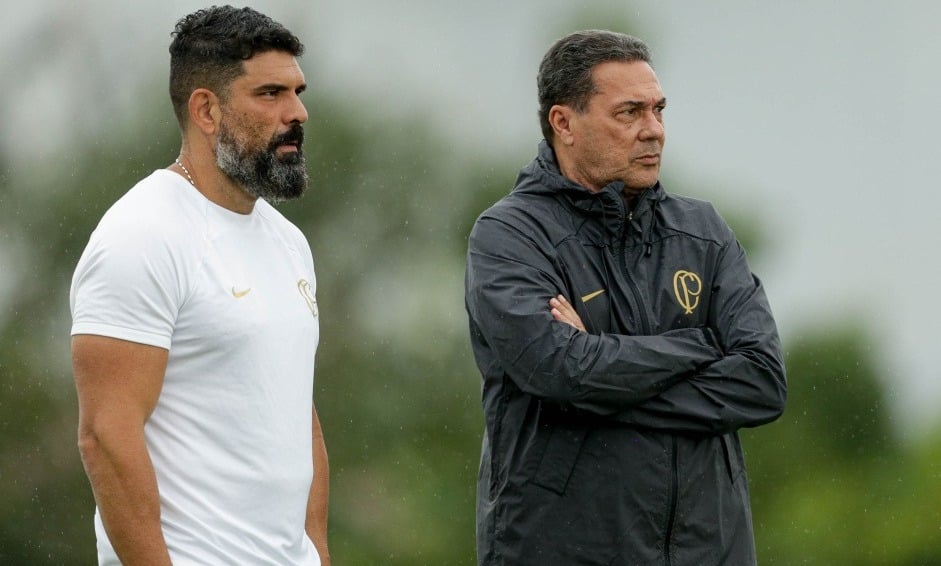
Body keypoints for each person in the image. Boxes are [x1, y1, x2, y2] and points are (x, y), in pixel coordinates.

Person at [464, 30, 786, 565]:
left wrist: (602, 375)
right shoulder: (509, 236)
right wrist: (702, 346)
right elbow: (559, 371)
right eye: (629, 112)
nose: (653, 130)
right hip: (563, 551)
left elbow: (762, 382)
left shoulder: (703, 231)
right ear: (564, 123)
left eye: (658, 110)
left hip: (710, 551)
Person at [70, 6, 329, 565]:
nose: (297, 112)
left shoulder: (289, 242)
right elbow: (105, 438)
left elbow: (295, 415)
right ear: (206, 110)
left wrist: (318, 554)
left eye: (297, 92)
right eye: (270, 94)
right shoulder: (142, 234)